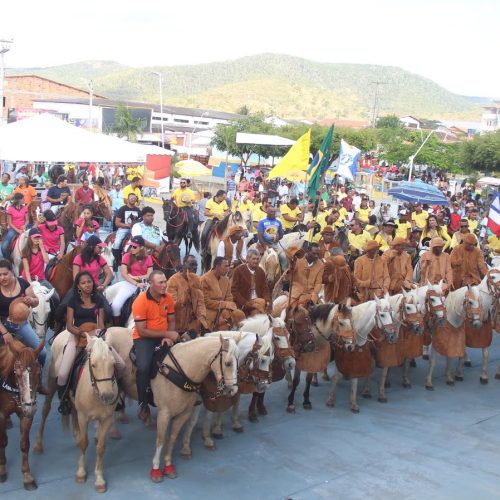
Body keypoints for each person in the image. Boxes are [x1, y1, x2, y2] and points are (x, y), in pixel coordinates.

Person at [56, 271, 125, 414]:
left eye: (89, 281)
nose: (87, 285)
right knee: (62, 374)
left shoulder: (98, 299)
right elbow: (69, 325)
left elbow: (101, 324)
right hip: (77, 336)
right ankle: (64, 400)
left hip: (96, 338)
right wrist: (81, 334)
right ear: (78, 286)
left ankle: (117, 396)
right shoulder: (72, 301)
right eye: (83, 283)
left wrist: (97, 334)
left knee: (121, 365)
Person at [132, 270, 178, 421]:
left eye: (165, 281)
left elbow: (171, 320)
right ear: (151, 284)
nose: (165, 285)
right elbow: (142, 331)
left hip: (164, 335)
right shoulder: (140, 301)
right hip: (145, 339)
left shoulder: (168, 298)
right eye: (161, 282)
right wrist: (167, 334)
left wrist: (169, 337)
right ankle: (143, 403)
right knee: (143, 367)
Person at [0, 259, 47, 367]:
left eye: (5, 274)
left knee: (43, 353)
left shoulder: (22, 283)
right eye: (0, 275)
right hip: (2, 325)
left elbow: (36, 302)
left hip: (21, 324)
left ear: (12, 272)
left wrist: (31, 300)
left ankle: (37, 377)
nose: (2, 277)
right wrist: (5, 333)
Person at [107, 236, 153, 325]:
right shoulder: (127, 256)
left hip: (145, 284)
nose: (131, 248)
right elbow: (124, 273)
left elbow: (149, 274)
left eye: (134, 247)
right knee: (116, 306)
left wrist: (137, 278)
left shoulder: (148, 258)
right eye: (131, 246)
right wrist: (135, 283)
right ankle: (117, 325)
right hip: (129, 283)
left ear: (141, 247)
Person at [166, 255, 208, 335]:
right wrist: (185, 298)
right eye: (192, 264)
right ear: (184, 264)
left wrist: (201, 320)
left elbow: (201, 304)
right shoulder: (173, 281)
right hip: (177, 326)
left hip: (193, 326)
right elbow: (171, 305)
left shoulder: (197, 281)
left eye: (196, 265)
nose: (195, 267)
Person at [201, 257, 244, 330]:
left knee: (239, 314)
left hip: (224, 310)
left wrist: (225, 308)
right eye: (226, 266)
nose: (228, 269)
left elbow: (229, 297)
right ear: (217, 267)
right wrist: (224, 305)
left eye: (228, 266)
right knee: (224, 321)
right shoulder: (204, 279)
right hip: (209, 312)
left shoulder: (226, 279)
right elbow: (206, 302)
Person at [287, 243, 324, 308]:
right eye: (314, 253)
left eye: (318, 254)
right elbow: (289, 276)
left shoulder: (321, 265)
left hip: (310, 294)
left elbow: (318, 283)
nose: (316, 256)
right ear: (308, 252)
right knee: (287, 308)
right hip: (295, 292)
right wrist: (291, 266)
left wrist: (314, 296)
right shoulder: (297, 260)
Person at [112, 193, 141, 268]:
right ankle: (116, 259)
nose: (133, 199)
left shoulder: (138, 210)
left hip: (135, 230)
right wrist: (127, 225)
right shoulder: (122, 209)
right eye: (131, 198)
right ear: (127, 199)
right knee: (117, 243)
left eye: (134, 198)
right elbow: (117, 223)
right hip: (123, 229)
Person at [1, 193, 28, 259]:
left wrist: (24, 225)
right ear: (19, 200)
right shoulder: (10, 209)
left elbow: (27, 220)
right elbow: (10, 223)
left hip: (23, 228)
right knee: (4, 247)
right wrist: (18, 230)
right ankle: (8, 260)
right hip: (13, 229)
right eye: (23, 199)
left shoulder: (24, 208)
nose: (24, 200)